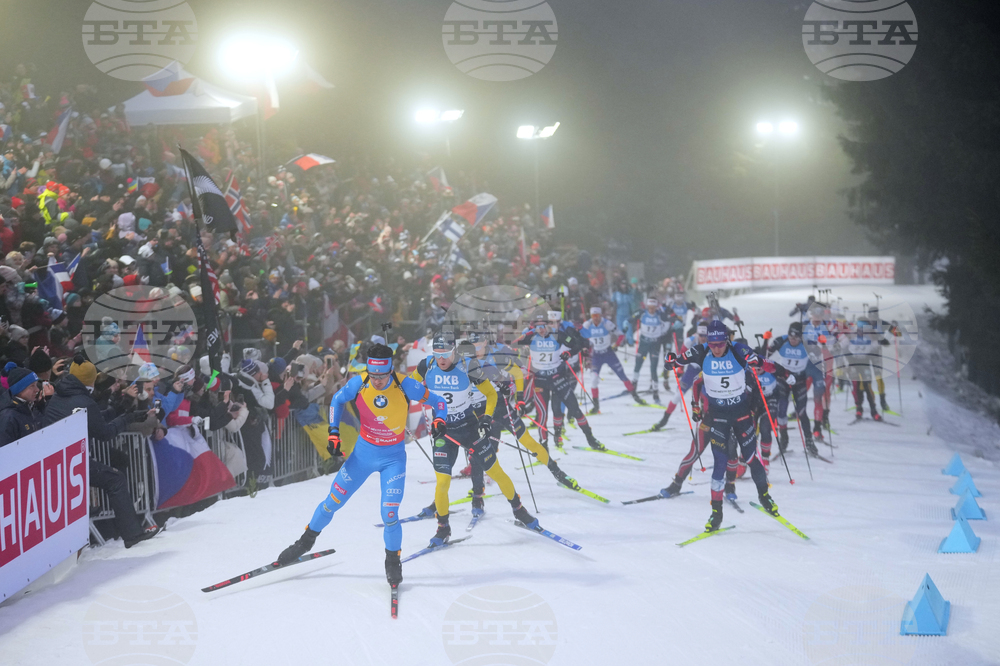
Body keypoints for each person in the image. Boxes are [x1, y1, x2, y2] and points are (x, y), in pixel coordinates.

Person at [275, 343, 448, 591]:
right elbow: (336, 399)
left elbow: (439, 402)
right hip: (362, 457)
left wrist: (440, 420)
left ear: (390, 371)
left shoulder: (405, 384)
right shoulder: (360, 382)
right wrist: (333, 433)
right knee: (332, 502)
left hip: (393, 459)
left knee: (389, 514)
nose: (377, 381)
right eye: (373, 375)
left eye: (382, 376)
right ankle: (304, 543)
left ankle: (392, 561)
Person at [410, 334, 539, 545]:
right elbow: (408, 386)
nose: (441, 359)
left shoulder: (468, 366)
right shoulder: (427, 365)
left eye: (446, 354)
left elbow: (491, 394)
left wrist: (487, 418)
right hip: (443, 430)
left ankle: (520, 511)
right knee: (442, 482)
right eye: (437, 354)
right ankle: (443, 528)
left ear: (455, 351)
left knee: (495, 471)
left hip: (469, 427)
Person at [667, 321, 779, 532]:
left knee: (746, 457)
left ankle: (762, 496)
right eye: (712, 343)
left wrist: (779, 373)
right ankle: (714, 512)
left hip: (741, 417)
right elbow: (687, 371)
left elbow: (761, 377)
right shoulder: (703, 353)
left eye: (720, 343)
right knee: (713, 458)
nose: (716, 348)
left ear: (727, 341)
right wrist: (670, 361)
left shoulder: (740, 357)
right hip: (715, 417)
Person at [42, 355, 160, 547]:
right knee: (115, 479)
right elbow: (104, 433)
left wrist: (121, 410)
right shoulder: (82, 399)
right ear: (89, 381)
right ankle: (132, 535)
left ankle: (116, 527)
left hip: (57, 459)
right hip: (69, 462)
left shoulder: (61, 394)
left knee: (112, 477)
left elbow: (95, 418)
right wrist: (127, 418)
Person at [521, 314, 606, 452]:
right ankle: (544, 447)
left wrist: (570, 353)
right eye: (538, 327)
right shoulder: (530, 337)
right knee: (542, 416)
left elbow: (578, 344)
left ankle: (591, 439)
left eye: (544, 326)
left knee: (574, 409)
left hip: (557, 378)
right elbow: (511, 343)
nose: (541, 329)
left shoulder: (558, 335)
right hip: (540, 382)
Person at [765, 321, 819, 457]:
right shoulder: (781, 341)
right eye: (791, 337)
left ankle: (809, 441)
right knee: (781, 408)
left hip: (800, 381)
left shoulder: (807, 344)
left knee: (801, 412)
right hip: (783, 379)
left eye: (796, 338)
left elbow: (820, 356)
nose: (792, 340)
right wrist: (765, 342)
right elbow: (764, 355)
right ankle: (784, 438)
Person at [581, 306, 644, 412]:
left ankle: (636, 397)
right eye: (593, 316)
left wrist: (616, 345)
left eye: (597, 316)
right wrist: (584, 352)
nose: (595, 318)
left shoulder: (607, 324)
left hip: (608, 353)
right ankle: (596, 406)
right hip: (596, 356)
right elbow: (580, 338)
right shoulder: (587, 325)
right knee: (594, 380)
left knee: (622, 375)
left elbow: (620, 335)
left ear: (601, 315)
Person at [631, 298, 667, 403]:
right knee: (638, 364)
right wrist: (626, 323)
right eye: (650, 308)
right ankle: (633, 387)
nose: (651, 310)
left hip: (655, 344)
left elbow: (669, 321)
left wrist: (662, 333)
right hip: (644, 343)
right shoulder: (642, 313)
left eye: (653, 308)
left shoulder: (660, 314)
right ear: (647, 307)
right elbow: (631, 318)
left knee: (653, 368)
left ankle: (655, 393)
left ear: (656, 307)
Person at [0, 367, 44, 446]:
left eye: (36, 385)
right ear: (19, 390)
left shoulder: (31, 406)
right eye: (32, 386)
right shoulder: (8, 417)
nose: (37, 389)